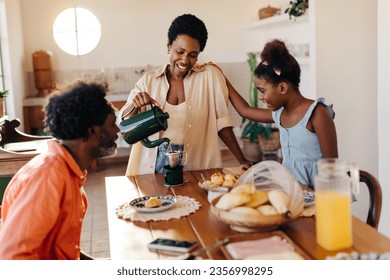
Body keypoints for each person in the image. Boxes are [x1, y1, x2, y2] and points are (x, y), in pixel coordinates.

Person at [0, 79, 119, 260]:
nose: (117, 130)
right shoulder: (47, 178)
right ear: (92, 131)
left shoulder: (69, 170)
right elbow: (12, 259)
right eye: (112, 123)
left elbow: (62, 248)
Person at [119, 14, 251, 176]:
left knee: (196, 200)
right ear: (168, 47)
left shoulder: (210, 76)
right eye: (179, 52)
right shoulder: (149, 81)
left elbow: (222, 123)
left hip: (195, 164)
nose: (184, 60)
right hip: (151, 166)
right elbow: (124, 125)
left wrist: (242, 159)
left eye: (192, 55)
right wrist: (134, 105)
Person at [224, 39, 338, 189]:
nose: (261, 97)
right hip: (291, 191)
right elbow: (245, 110)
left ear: (283, 88)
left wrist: (307, 190)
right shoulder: (280, 114)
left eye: (263, 91)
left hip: (319, 195)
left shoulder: (317, 113)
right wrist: (222, 79)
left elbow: (332, 169)